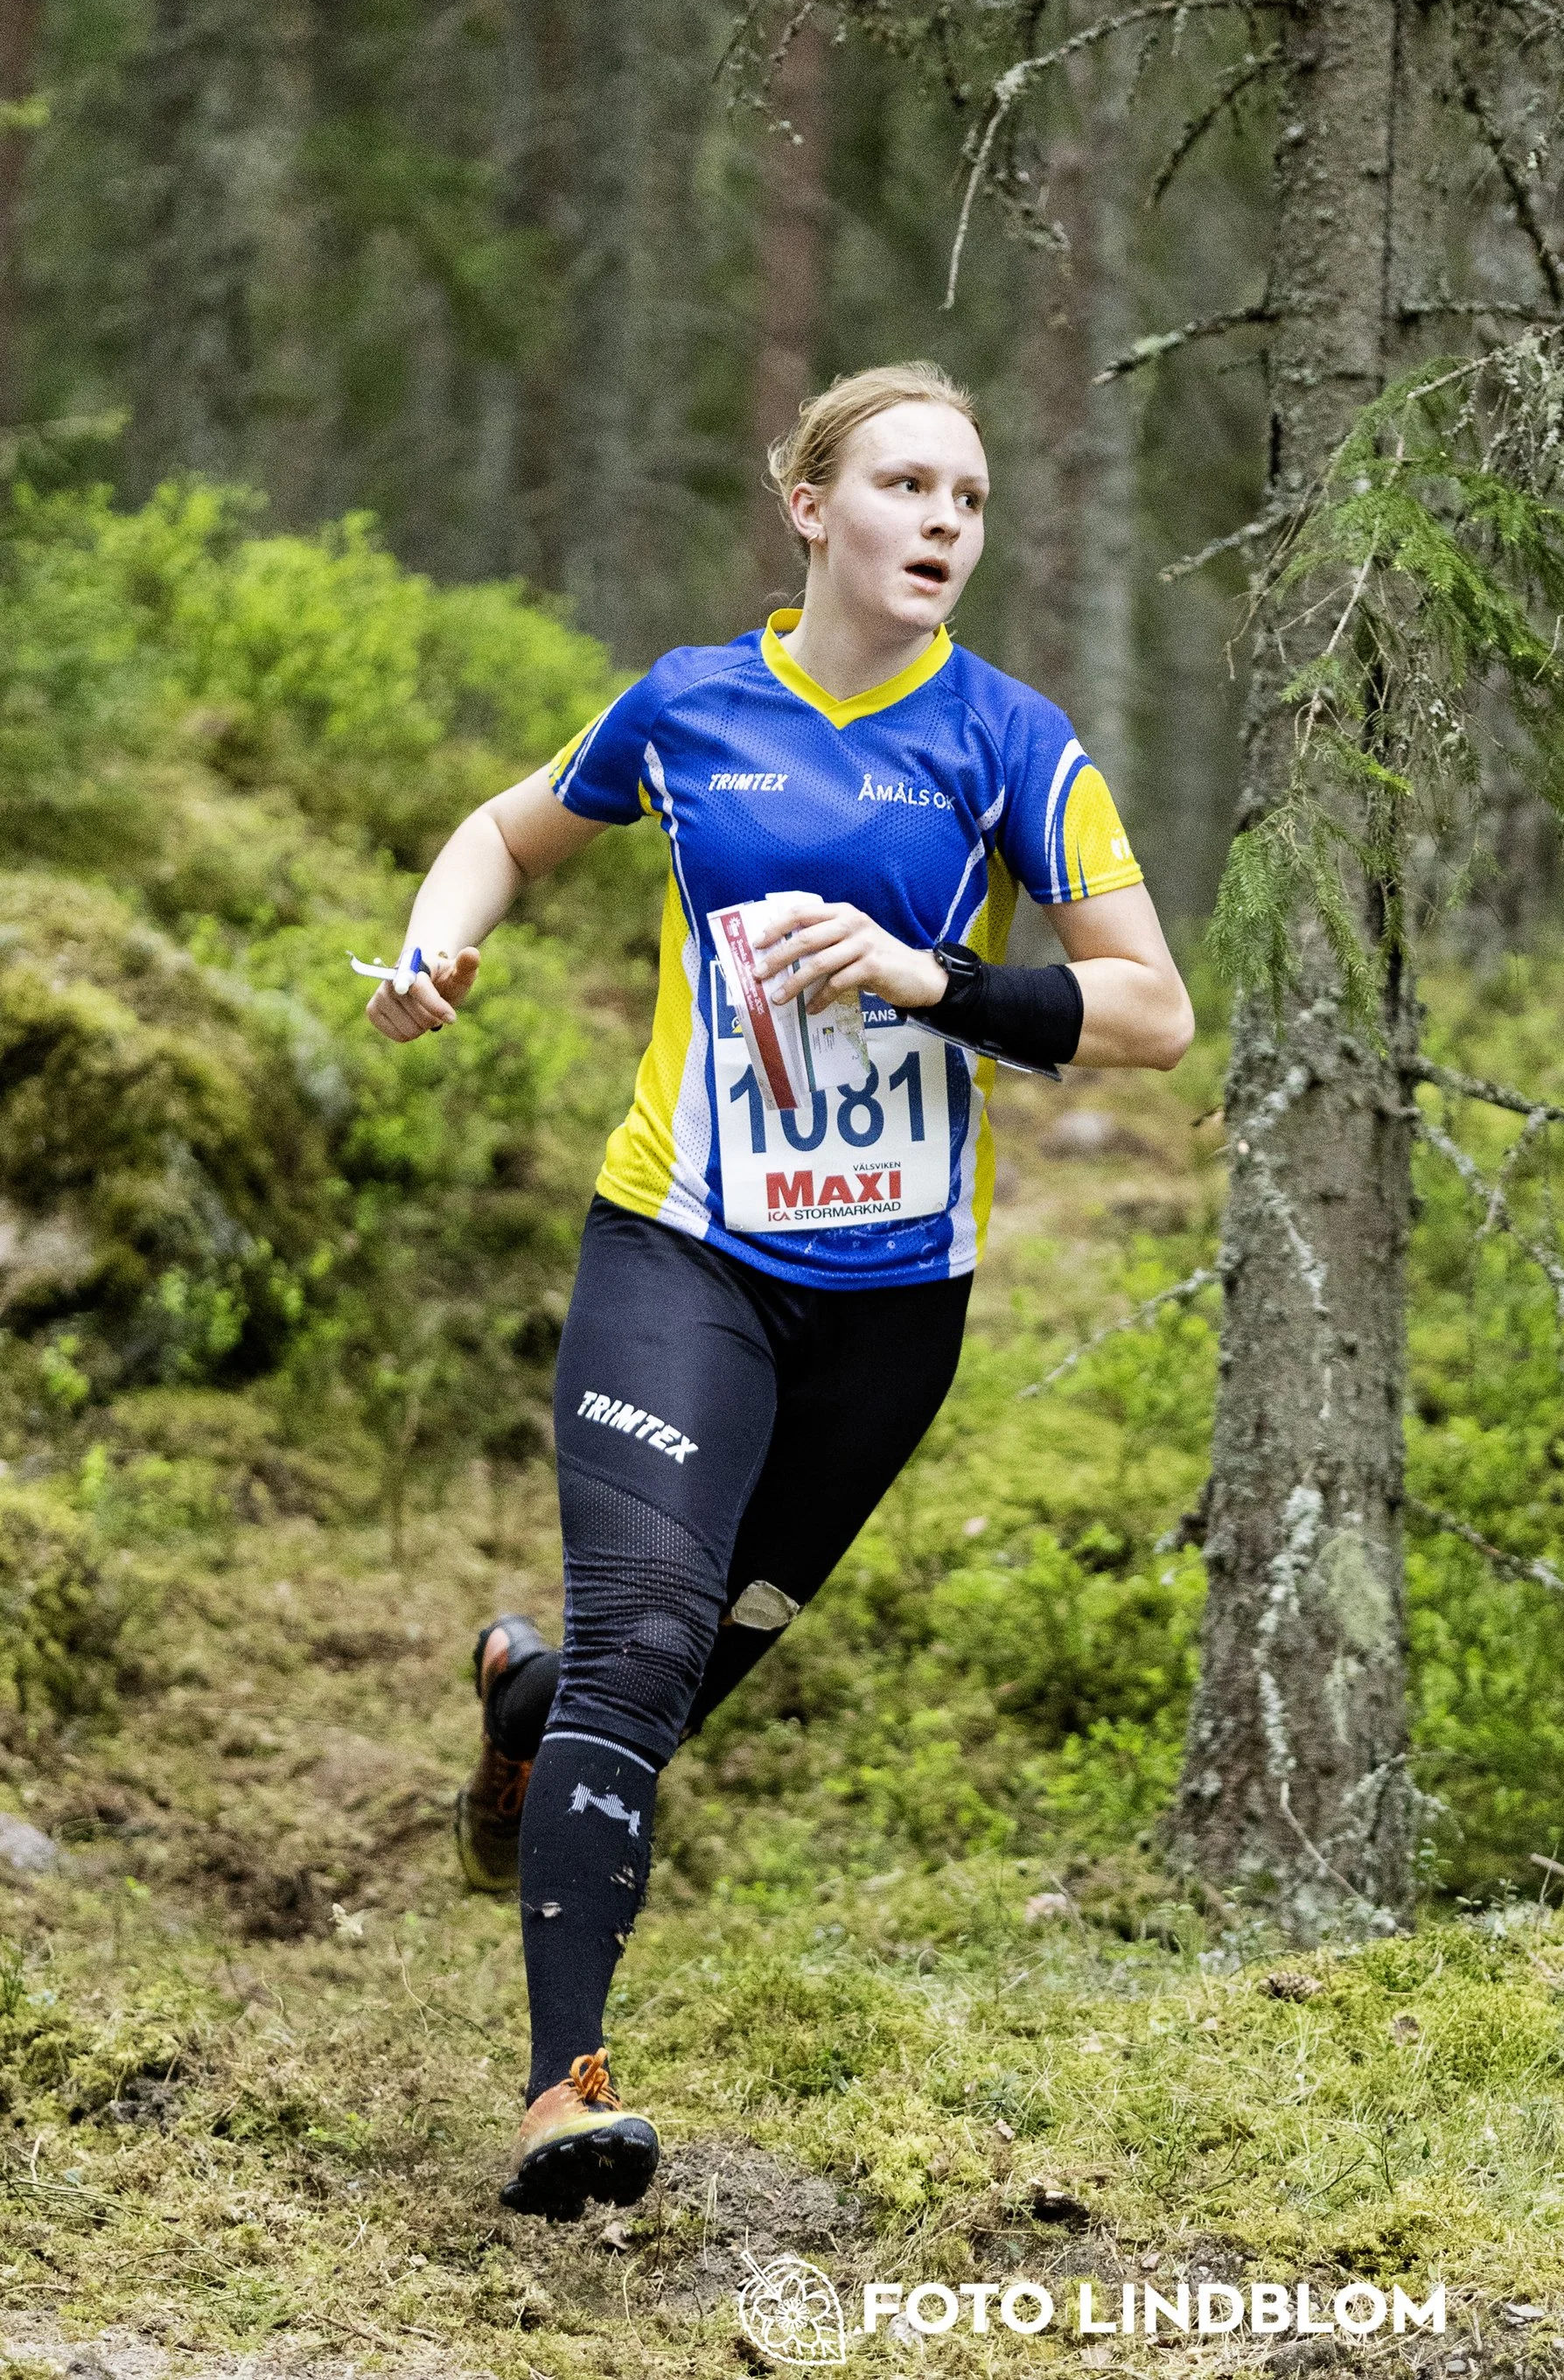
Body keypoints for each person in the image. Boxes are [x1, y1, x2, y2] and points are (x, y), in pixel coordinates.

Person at [365, 360, 1193, 2220]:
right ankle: (558, 2091)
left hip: (890, 1308)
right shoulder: (689, 704)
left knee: (665, 1686)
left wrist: (932, 977)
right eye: (904, 485)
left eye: (966, 501)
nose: (940, 524)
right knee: (650, 1633)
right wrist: (439, 947)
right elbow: (506, 831)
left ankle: (530, 1713)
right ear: (811, 505)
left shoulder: (1008, 739)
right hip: (677, 1247)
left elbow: (1151, 1008)